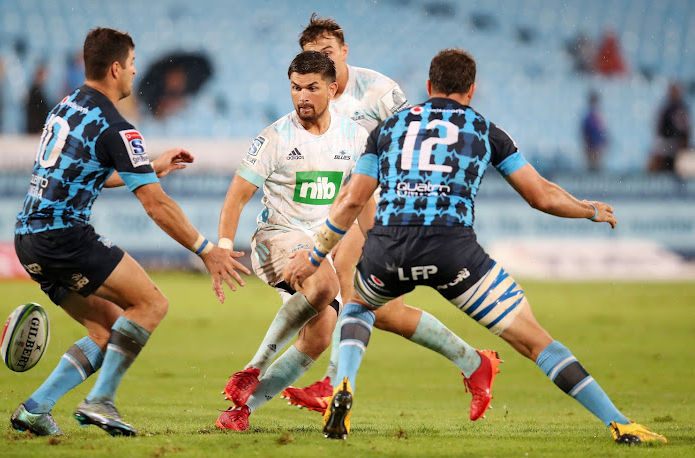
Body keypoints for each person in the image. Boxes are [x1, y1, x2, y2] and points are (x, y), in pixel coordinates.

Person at [285, 48, 668, 445]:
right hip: (454, 252)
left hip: (390, 248)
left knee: (359, 306)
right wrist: (588, 210)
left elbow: (351, 201)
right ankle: (619, 423)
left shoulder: (388, 129)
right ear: (472, 90)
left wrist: (315, 255)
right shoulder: (485, 130)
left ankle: (343, 384)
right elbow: (541, 196)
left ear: (429, 86)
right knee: (536, 341)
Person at [9, 27, 249, 437]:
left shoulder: (64, 108)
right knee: (151, 304)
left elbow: (85, 176)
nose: (136, 72)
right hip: (65, 236)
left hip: (28, 239)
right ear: (116, 68)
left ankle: (36, 408)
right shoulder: (117, 126)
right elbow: (156, 205)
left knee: (107, 330)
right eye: (133, 63)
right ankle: (100, 401)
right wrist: (206, 249)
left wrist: (149, 167)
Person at [281, 13, 500, 421]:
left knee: (349, 282)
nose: (320, 64)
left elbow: (417, 131)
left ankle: (332, 384)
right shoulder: (314, 94)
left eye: (327, 53)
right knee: (382, 312)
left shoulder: (378, 90)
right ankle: (474, 363)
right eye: (311, 58)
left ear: (344, 52)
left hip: (382, 200)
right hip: (343, 201)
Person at [213, 50, 369, 431]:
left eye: (312, 88)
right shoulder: (275, 137)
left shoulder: (355, 136)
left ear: (332, 89)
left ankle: (240, 410)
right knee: (328, 284)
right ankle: (252, 369)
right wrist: (221, 245)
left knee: (320, 335)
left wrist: (381, 239)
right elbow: (236, 195)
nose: (302, 96)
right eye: (296, 88)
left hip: (316, 246)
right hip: (275, 240)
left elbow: (362, 197)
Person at [648, 82, 690, 173]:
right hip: (666, 142)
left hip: (678, 143)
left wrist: (683, 143)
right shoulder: (666, 109)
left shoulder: (683, 109)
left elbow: (686, 130)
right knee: (657, 154)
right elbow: (659, 130)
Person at [581, 91, 608, 172]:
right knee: (593, 169)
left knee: (595, 169)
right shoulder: (591, 117)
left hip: (595, 147)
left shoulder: (598, 116)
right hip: (593, 147)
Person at [25, 62, 50, 134]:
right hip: (36, 129)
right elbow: (34, 113)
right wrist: (39, 128)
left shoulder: (40, 90)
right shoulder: (35, 92)